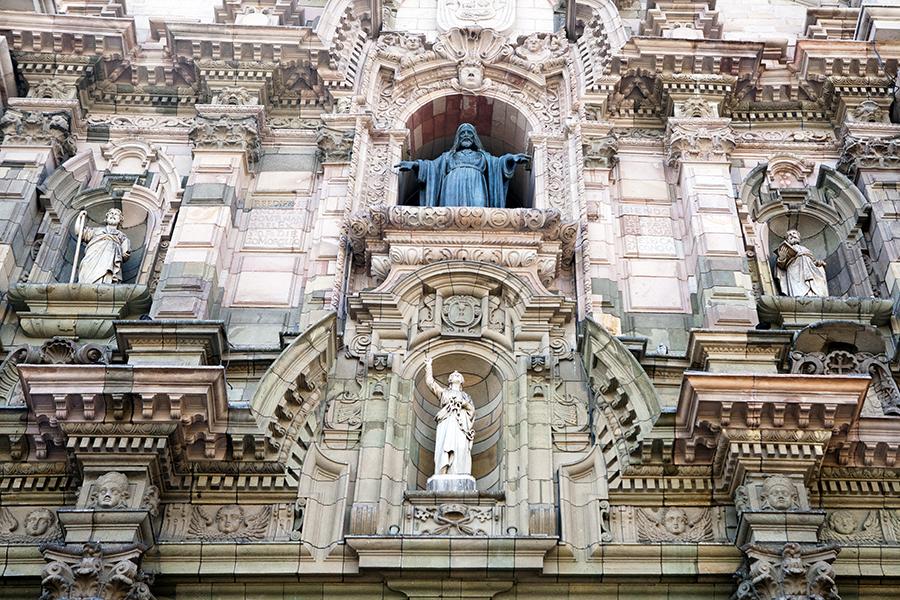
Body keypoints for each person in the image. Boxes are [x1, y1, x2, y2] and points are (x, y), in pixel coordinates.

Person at [396, 123, 529, 208]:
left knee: (479, 210)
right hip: (452, 185)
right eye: (463, 133)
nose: (466, 136)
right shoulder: (448, 156)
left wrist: (512, 158)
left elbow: (498, 163)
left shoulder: (483, 156)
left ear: (474, 138)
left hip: (477, 184)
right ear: (458, 138)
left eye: (469, 133)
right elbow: (432, 167)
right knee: (450, 211)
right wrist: (414, 165)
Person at [424, 357, 475, 476]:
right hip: (447, 423)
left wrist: (464, 404)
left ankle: (459, 472)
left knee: (461, 448)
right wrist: (428, 366)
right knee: (445, 447)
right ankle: (443, 472)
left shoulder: (466, 396)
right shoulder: (444, 393)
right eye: (453, 375)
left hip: (461, 424)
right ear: (449, 380)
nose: (456, 374)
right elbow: (430, 383)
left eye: (458, 375)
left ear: (462, 381)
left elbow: (472, 411)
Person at [76, 207, 131, 284]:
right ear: (106, 218)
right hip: (92, 256)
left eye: (116, 214)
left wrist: (124, 252)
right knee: (86, 268)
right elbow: (79, 232)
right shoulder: (95, 231)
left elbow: (125, 254)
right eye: (111, 213)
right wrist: (80, 218)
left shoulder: (122, 236)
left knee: (107, 273)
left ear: (120, 220)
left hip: (109, 260)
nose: (113, 215)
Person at [775, 229, 828, 297]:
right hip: (794, 271)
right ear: (787, 240)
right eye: (789, 235)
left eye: (794, 233)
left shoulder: (805, 249)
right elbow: (780, 266)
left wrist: (818, 263)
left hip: (810, 271)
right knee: (798, 292)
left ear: (798, 236)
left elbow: (812, 262)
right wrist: (782, 257)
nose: (791, 236)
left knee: (815, 287)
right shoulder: (785, 249)